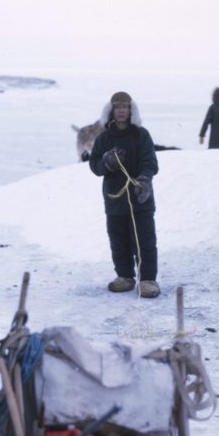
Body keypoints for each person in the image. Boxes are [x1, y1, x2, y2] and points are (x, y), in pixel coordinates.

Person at [89, 91, 160, 298]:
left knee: (144, 239)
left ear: (131, 110)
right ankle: (125, 277)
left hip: (140, 198)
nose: (121, 111)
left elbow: (150, 163)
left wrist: (144, 180)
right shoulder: (103, 138)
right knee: (118, 240)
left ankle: (147, 280)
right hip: (114, 199)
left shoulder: (142, 135)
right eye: (117, 107)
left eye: (125, 107)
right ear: (111, 111)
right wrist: (107, 162)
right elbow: (95, 166)